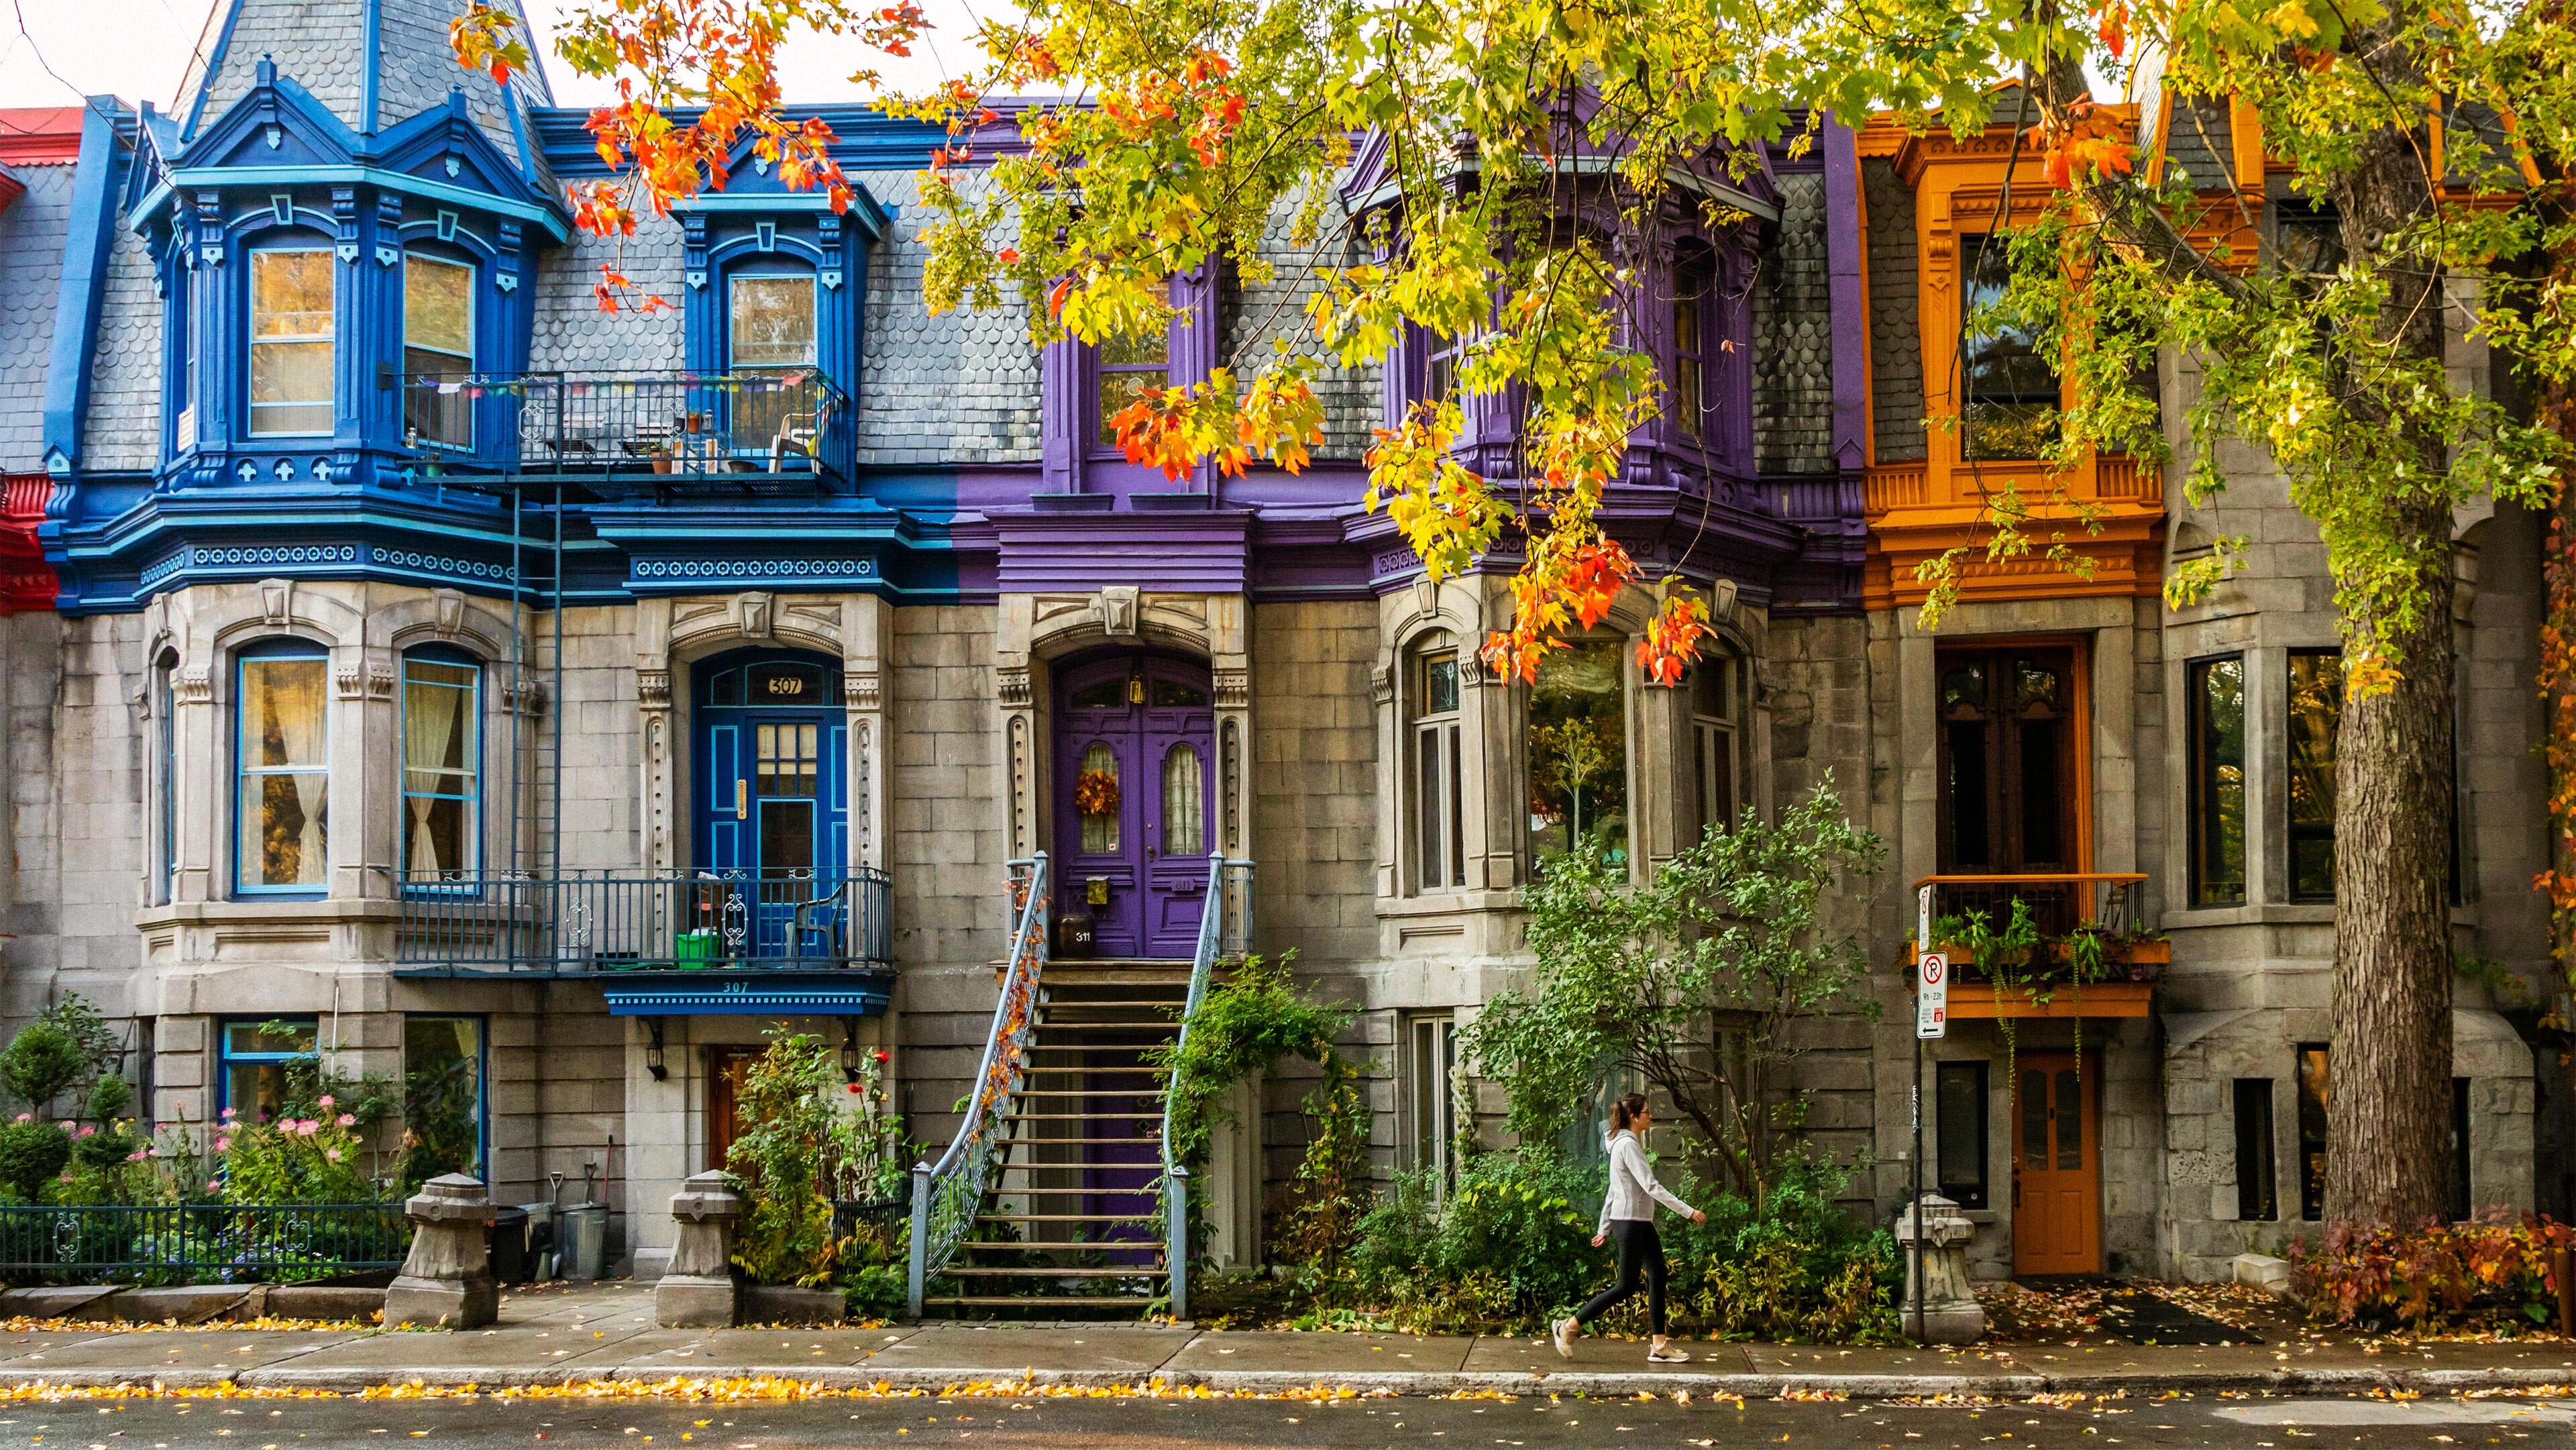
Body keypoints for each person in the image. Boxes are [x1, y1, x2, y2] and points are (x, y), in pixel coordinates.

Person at [1554, 1092, 1704, 1364]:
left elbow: (1614, 1190)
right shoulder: (1627, 1146)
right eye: (1647, 1112)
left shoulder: (1625, 1143)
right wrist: (1688, 1211)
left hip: (1638, 1222)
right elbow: (1651, 1186)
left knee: (1658, 1274)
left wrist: (1604, 1227)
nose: (1650, 1116)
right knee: (1626, 1286)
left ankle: (1659, 1345)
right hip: (1632, 1224)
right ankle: (1569, 1327)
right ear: (1634, 1117)